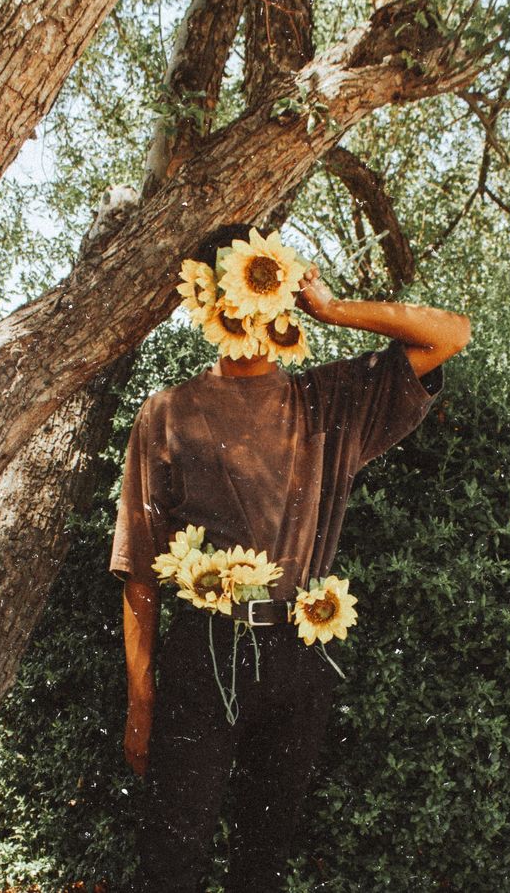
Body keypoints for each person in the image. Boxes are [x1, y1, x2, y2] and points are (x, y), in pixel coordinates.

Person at [109, 223, 471, 892]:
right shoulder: (166, 414)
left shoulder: (330, 401)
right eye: (236, 283)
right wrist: (140, 700)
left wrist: (332, 309)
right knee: (170, 858)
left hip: (297, 653)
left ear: (283, 290)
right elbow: (139, 576)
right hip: (202, 654)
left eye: (263, 279)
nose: (249, 302)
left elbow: (449, 333)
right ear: (207, 299)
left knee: (263, 863)